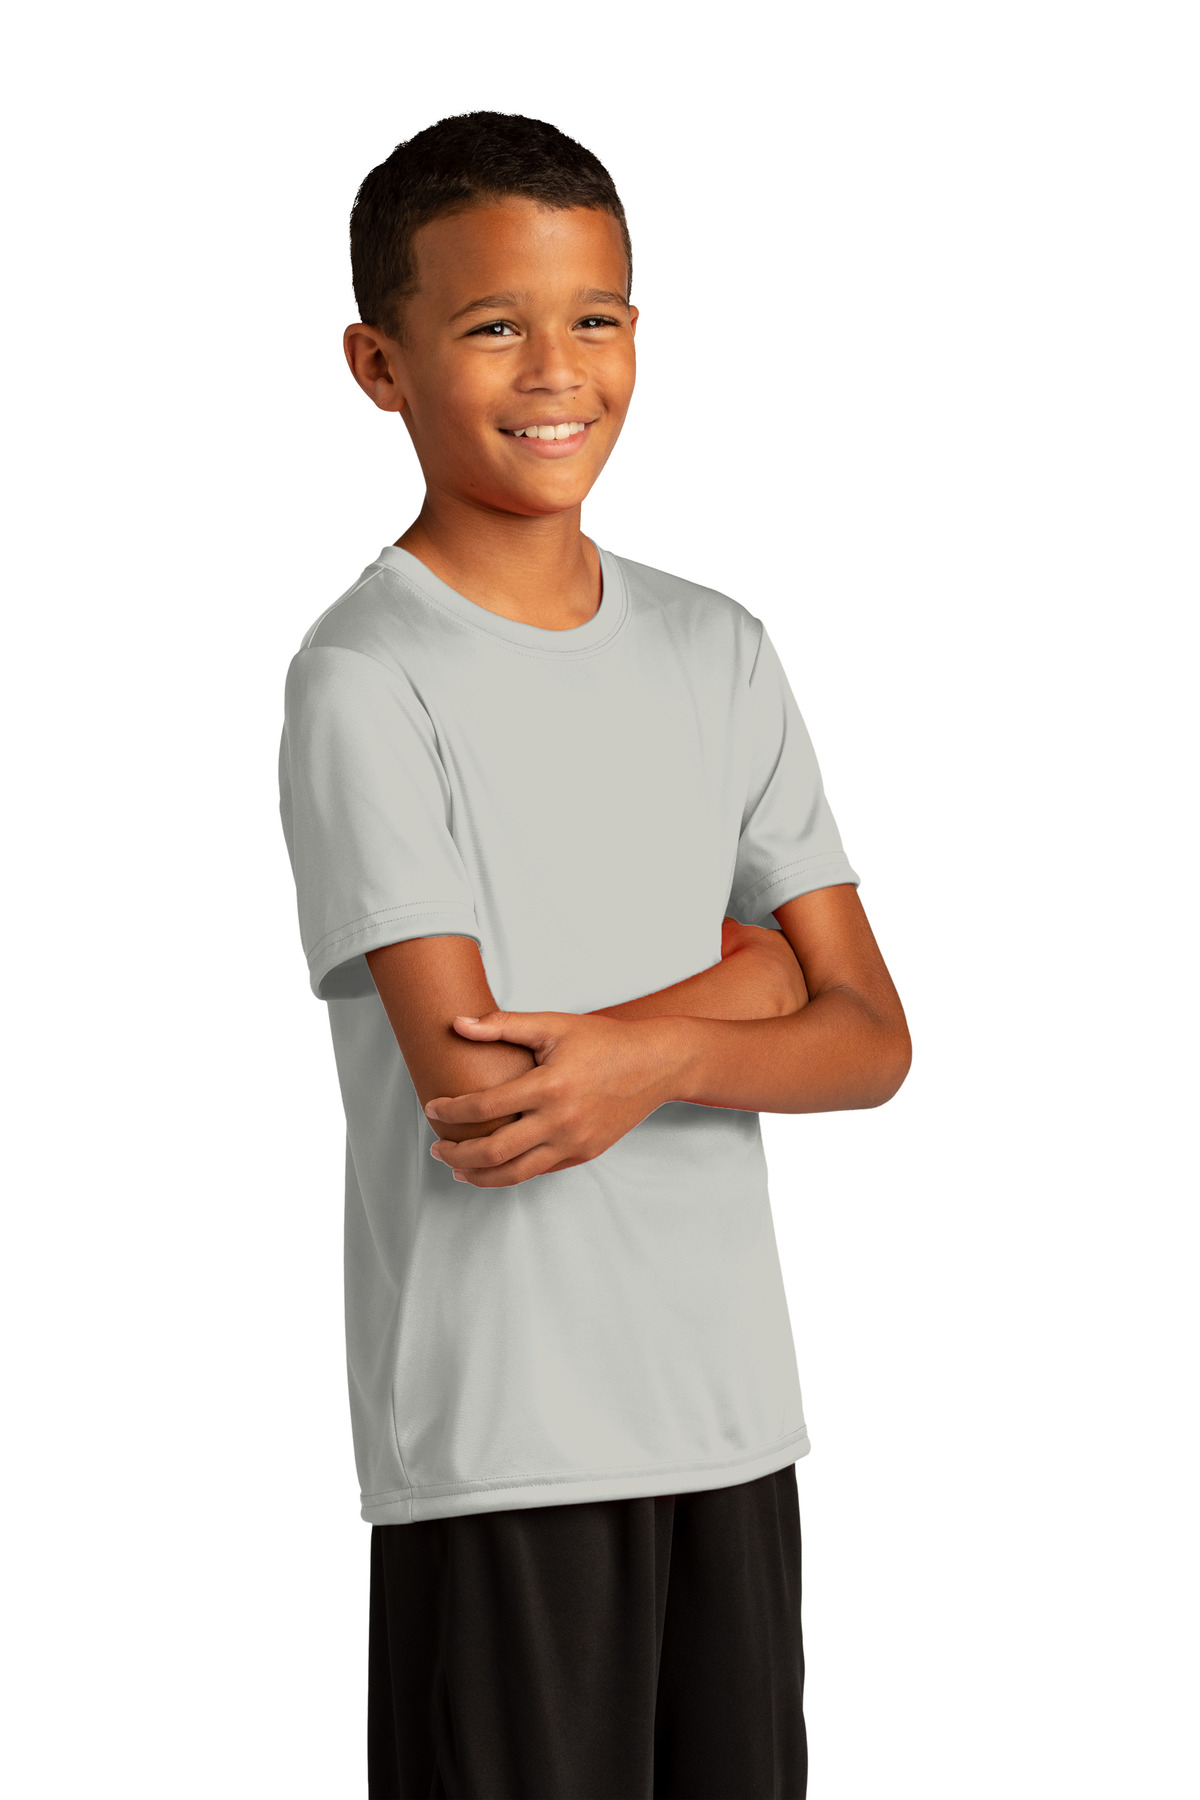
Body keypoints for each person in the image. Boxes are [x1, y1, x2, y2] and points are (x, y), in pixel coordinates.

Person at [277, 110, 911, 1800]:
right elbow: (486, 1103)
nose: (557, 370)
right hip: (505, 1445)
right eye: (494, 324)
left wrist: (651, 1048)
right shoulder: (366, 679)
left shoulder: (720, 649)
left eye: (596, 317)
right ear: (380, 363)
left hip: (729, 1422)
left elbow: (872, 1036)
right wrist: (744, 982)